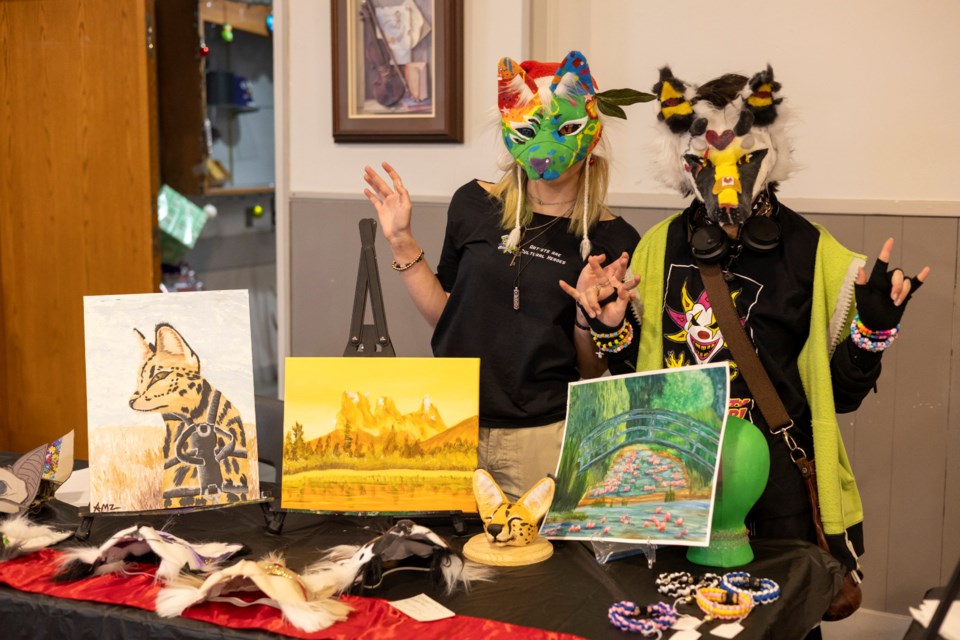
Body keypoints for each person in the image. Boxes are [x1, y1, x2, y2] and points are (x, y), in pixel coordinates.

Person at [562, 66, 929, 626]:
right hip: (681, 482)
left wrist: (871, 331)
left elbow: (843, 397)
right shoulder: (659, 247)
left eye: (741, 163)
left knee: (782, 623)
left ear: (768, 157)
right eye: (706, 165)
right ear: (684, 166)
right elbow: (637, 386)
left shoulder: (811, 251)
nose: (725, 182)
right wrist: (611, 326)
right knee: (682, 621)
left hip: (780, 488)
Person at [363, 51, 643, 501]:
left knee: (537, 568)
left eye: (565, 128)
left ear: (593, 133)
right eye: (531, 129)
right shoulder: (474, 204)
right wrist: (400, 241)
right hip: (453, 427)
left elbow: (593, 372)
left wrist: (588, 319)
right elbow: (446, 314)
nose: (546, 146)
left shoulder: (612, 237)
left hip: (543, 437)